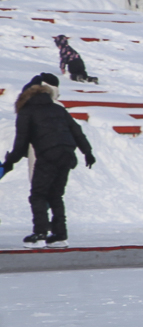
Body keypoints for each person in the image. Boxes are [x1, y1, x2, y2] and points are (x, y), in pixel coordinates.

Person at [2, 73, 95, 246]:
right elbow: (76, 131)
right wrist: (87, 152)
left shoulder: (27, 111)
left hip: (48, 155)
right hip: (67, 154)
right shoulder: (58, 109)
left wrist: (9, 162)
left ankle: (40, 234)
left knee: (38, 195)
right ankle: (59, 235)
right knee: (56, 195)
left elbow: (21, 142)